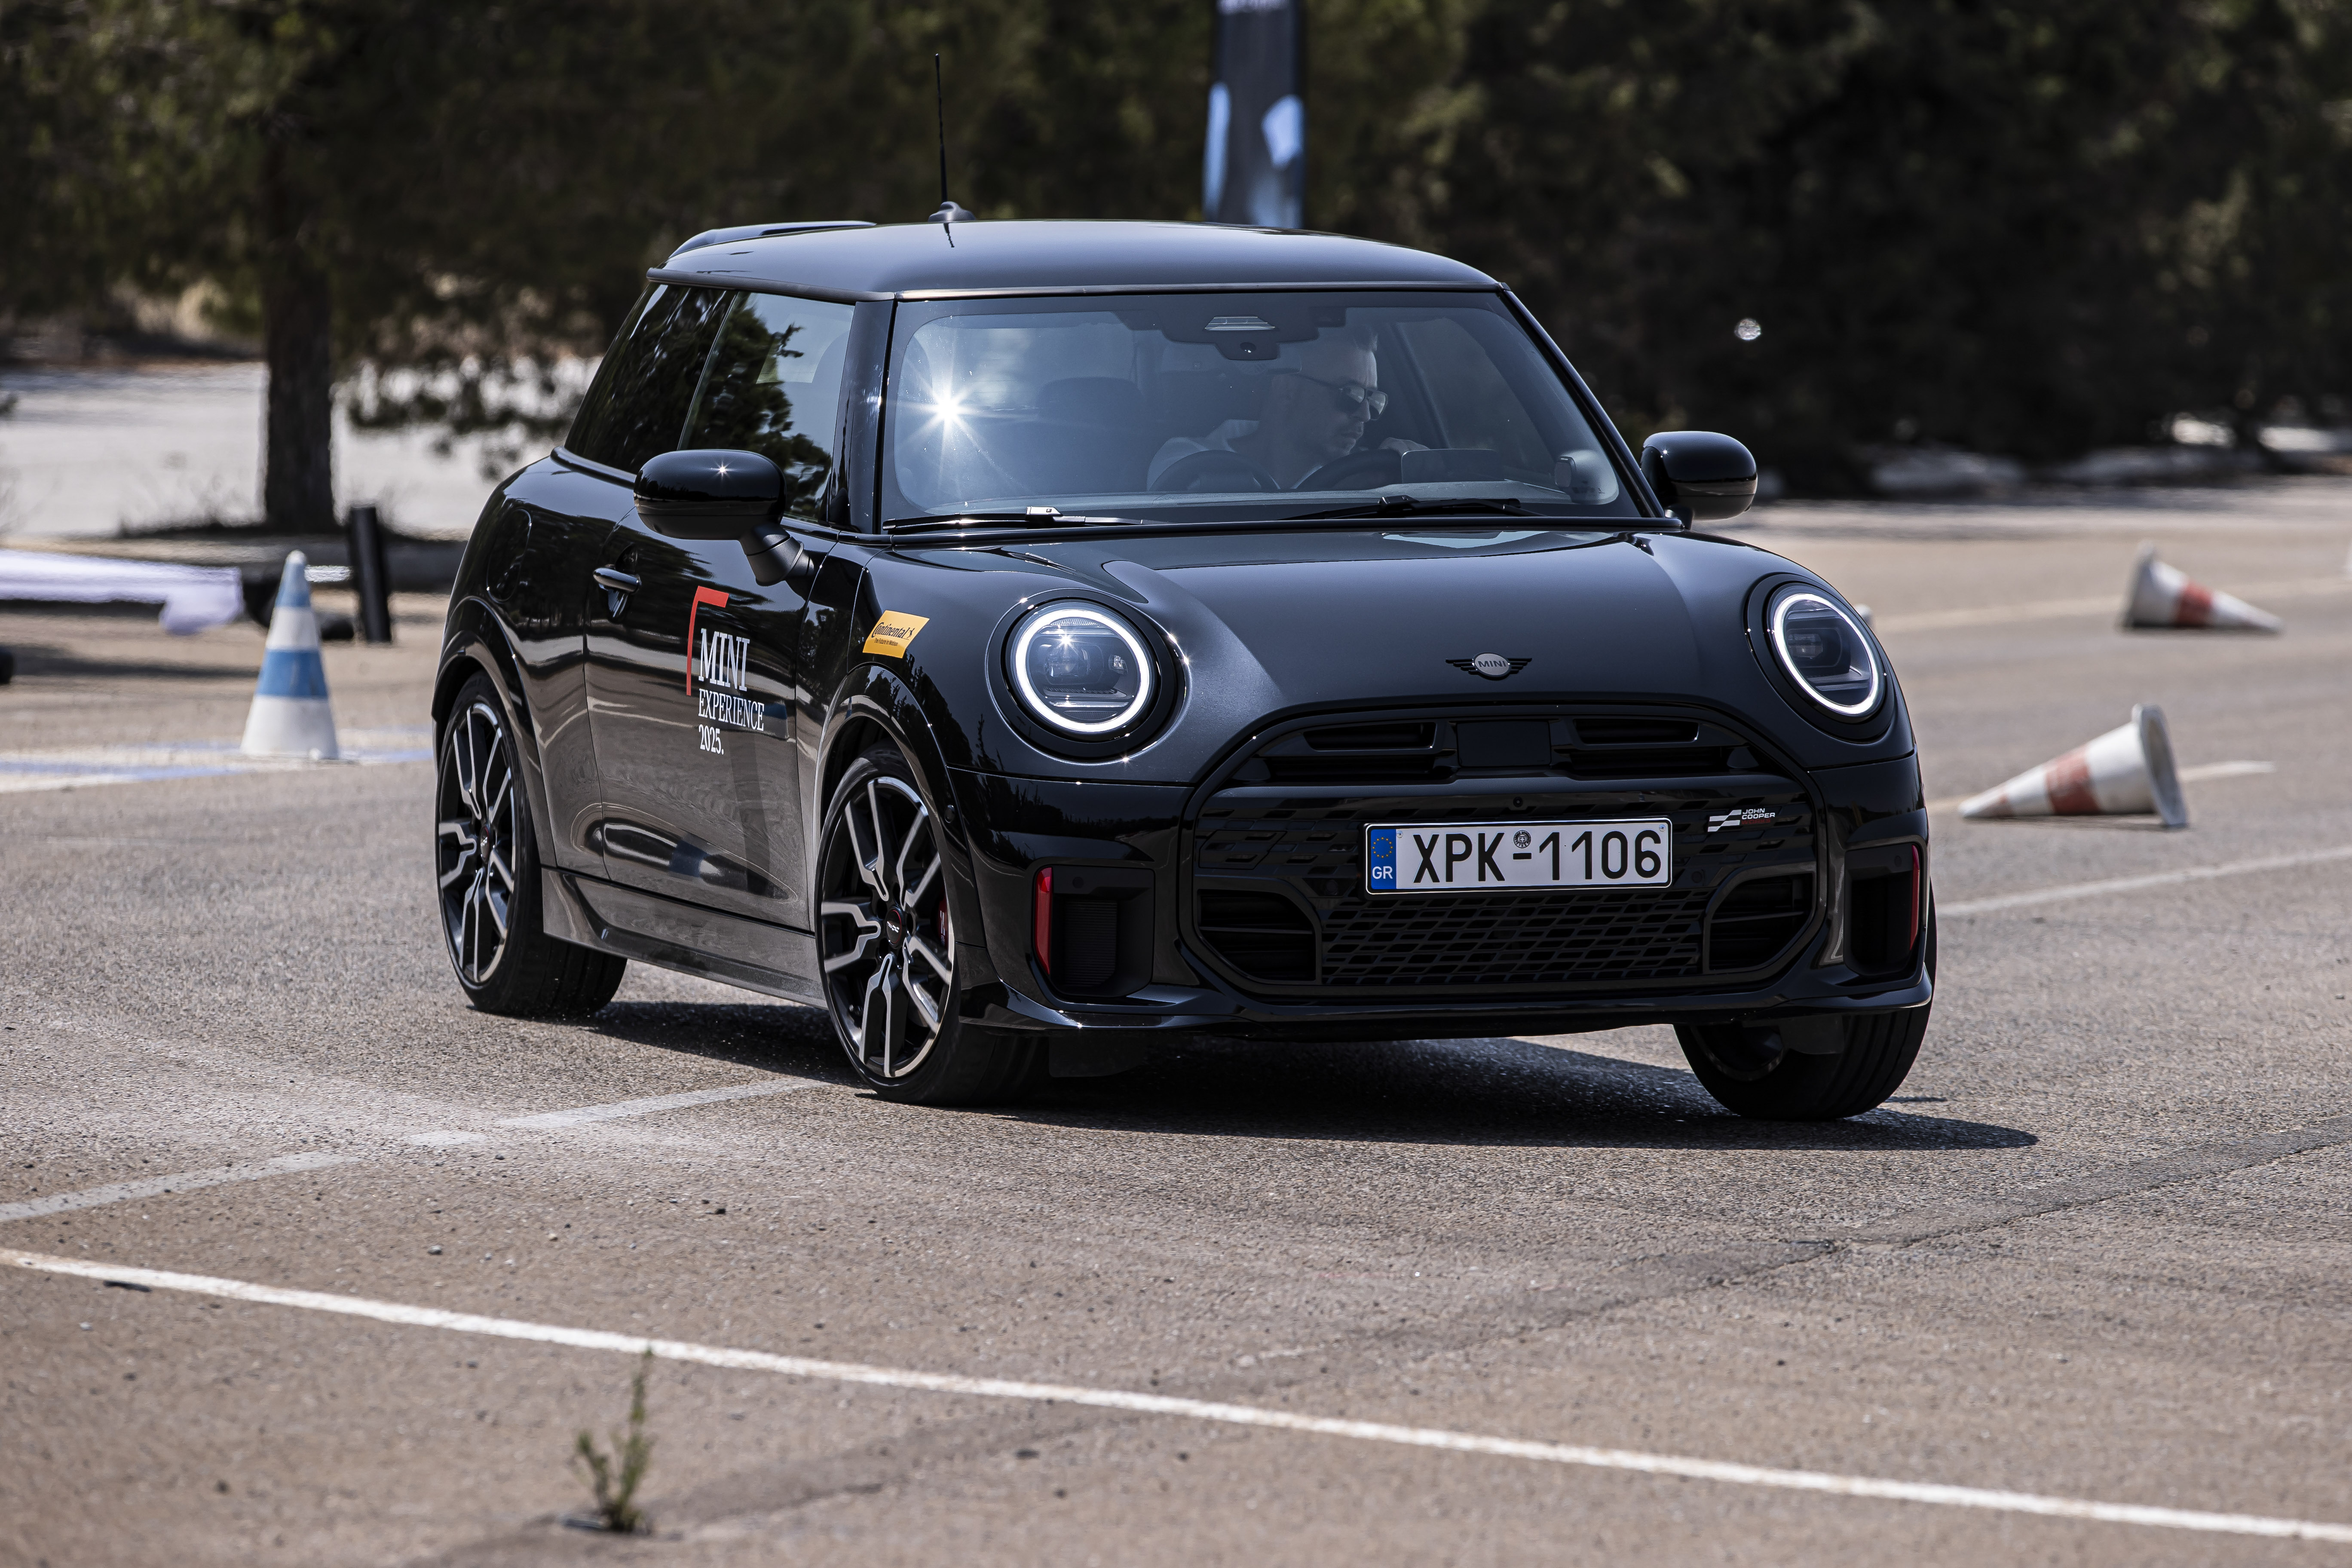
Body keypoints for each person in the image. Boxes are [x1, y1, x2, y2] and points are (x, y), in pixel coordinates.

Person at [1147, 331, 1421, 489]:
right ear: (1287, 391)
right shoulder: (1187, 463)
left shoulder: (1368, 477)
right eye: (1350, 395)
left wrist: (1421, 473)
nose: (1365, 415)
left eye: (1373, 399)